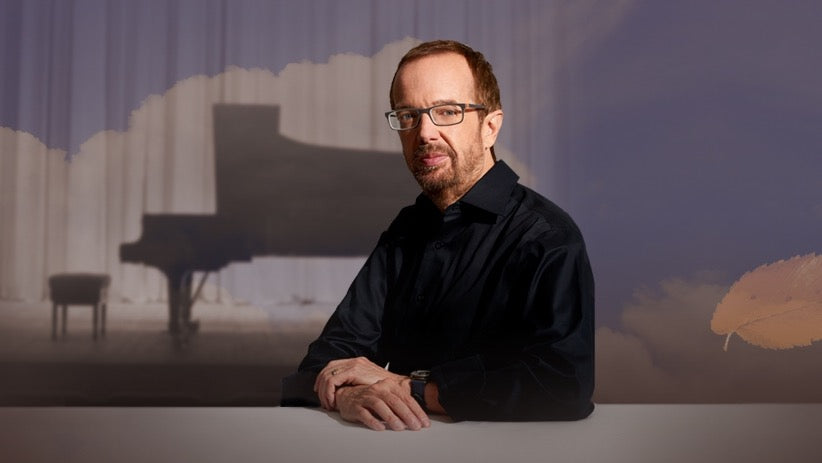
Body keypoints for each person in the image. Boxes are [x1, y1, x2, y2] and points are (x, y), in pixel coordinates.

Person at [281, 40, 595, 431]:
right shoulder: (407, 229)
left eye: (447, 111)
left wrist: (408, 388)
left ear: (490, 126)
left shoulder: (547, 238)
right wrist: (346, 392)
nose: (425, 132)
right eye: (408, 115)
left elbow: (564, 386)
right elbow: (325, 363)